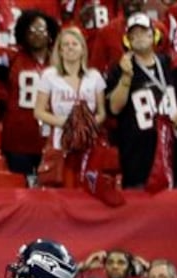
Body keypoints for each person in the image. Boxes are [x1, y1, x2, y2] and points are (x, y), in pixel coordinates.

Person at [106, 12, 177, 188]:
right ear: (127, 40)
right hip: (138, 158)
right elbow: (114, 109)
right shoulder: (120, 69)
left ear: (153, 34)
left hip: (174, 154)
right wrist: (126, 77)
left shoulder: (169, 63)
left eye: (143, 31)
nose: (139, 37)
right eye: (133, 34)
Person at [34, 26, 106, 188]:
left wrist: (87, 124)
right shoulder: (49, 75)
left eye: (74, 44)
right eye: (65, 45)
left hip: (88, 144)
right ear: (59, 51)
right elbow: (38, 111)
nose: (70, 48)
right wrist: (67, 123)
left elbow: (102, 112)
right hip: (60, 143)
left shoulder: (94, 77)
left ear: (83, 49)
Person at [1, 10, 60, 183]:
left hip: (51, 137)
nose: (36, 35)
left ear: (50, 34)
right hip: (18, 137)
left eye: (41, 30)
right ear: (23, 34)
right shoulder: (12, 58)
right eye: (31, 31)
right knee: (21, 187)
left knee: (51, 189)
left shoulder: (60, 61)